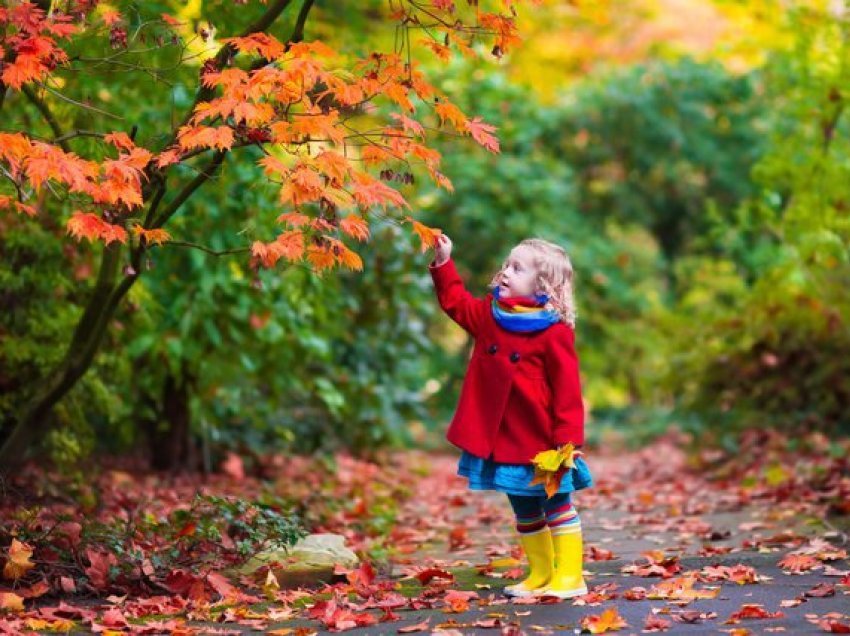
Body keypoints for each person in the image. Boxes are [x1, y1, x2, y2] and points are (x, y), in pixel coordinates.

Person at [428, 233, 594, 599]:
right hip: (502, 435)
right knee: (522, 503)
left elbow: (568, 393)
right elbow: (455, 302)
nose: (505, 271)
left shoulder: (554, 332)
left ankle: (569, 576)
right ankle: (539, 573)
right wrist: (444, 262)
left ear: (542, 284)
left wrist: (567, 443)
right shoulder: (490, 315)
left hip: (541, 438)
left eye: (517, 268)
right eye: (507, 264)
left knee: (555, 502)